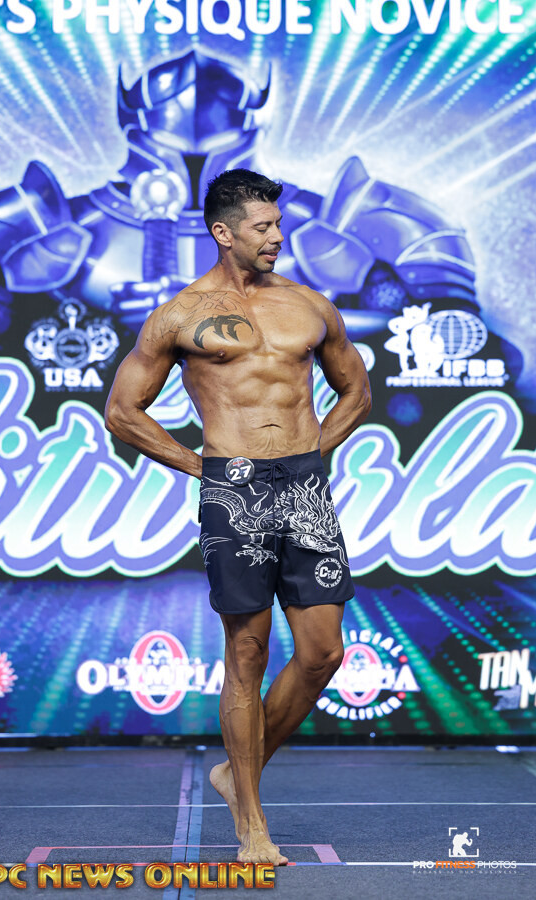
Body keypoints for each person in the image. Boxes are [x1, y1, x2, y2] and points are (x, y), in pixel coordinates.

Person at [105, 168, 372, 865]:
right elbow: (123, 412)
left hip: (303, 487)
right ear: (223, 233)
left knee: (323, 653)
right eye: (263, 226)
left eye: (279, 225)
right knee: (247, 654)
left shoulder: (309, 305)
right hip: (236, 492)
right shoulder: (180, 314)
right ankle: (253, 825)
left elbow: (356, 391)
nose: (277, 236)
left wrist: (315, 450)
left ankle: (236, 770)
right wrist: (202, 467)